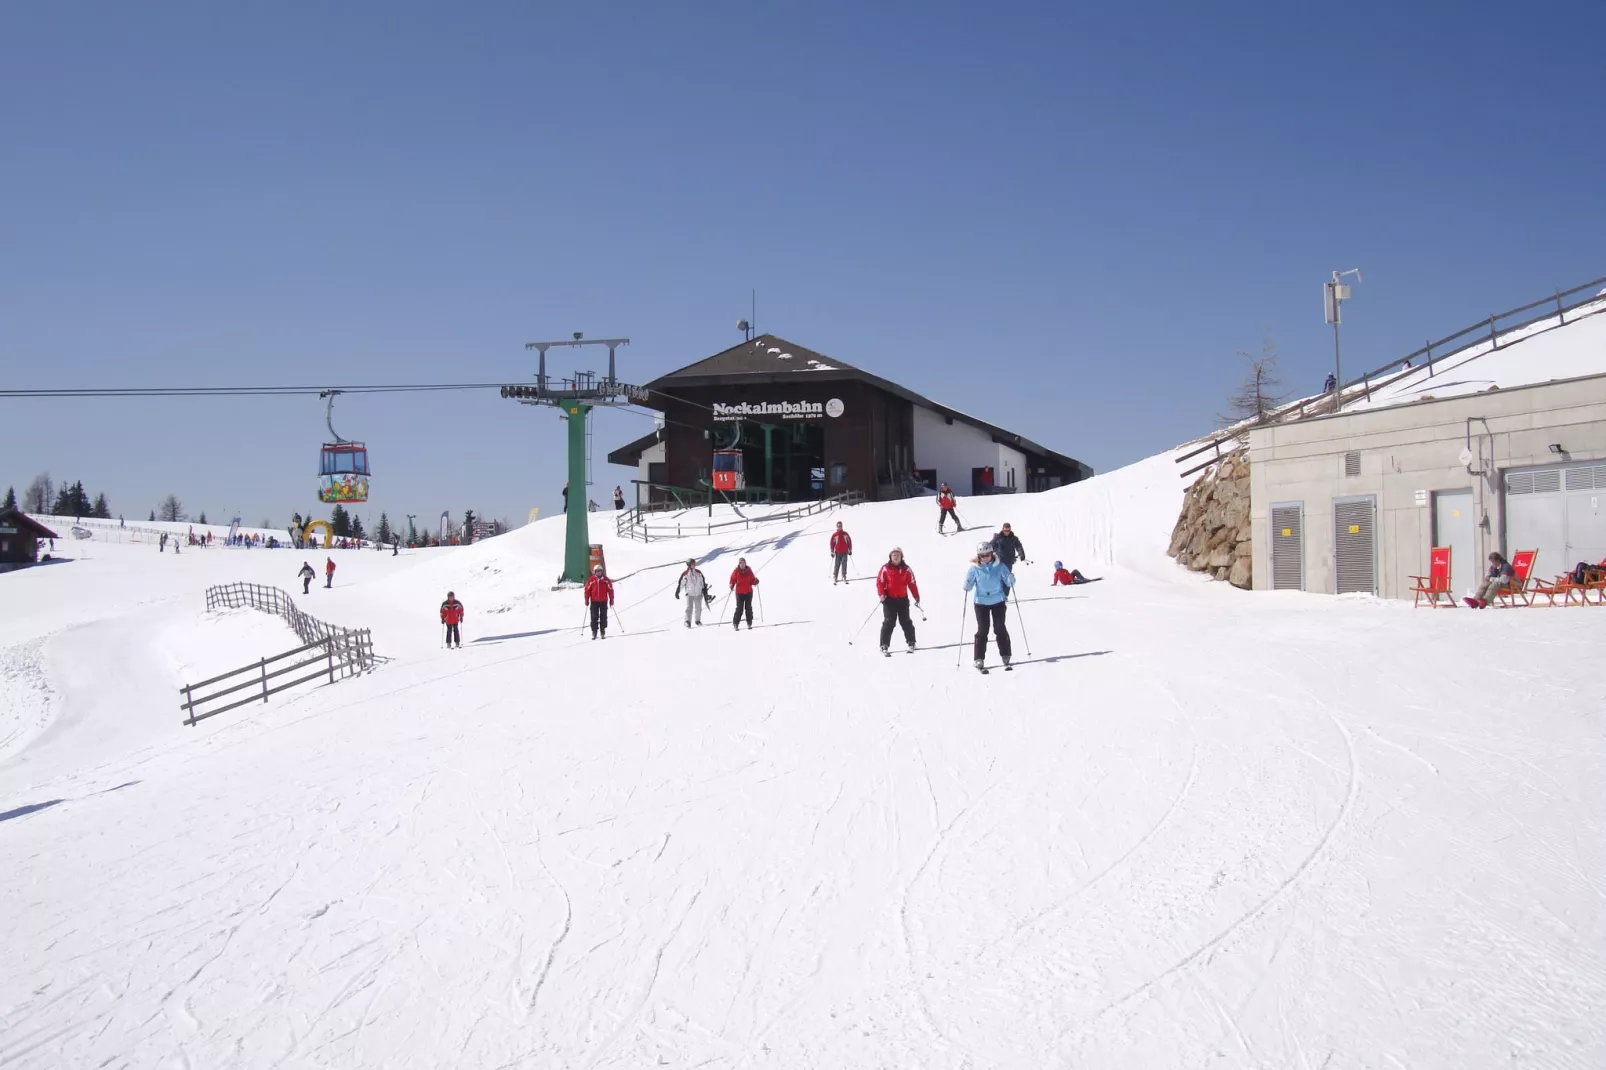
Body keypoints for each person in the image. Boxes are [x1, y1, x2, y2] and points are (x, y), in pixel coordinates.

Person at [965, 541, 1017, 670]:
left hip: (998, 601)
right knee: (983, 629)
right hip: (981, 602)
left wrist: (1011, 578)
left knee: (999, 628)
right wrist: (967, 584)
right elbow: (969, 586)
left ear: (992, 553)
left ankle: (1006, 655)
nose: (985, 558)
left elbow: (1009, 582)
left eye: (987, 555)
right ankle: (979, 658)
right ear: (979, 556)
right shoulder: (974, 568)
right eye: (982, 556)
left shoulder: (1000, 566)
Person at [875, 547, 921, 653]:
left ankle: (911, 642)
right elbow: (880, 582)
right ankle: (884, 645)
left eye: (898, 555)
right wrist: (881, 594)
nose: (895, 557)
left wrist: (916, 596)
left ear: (901, 557)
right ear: (890, 557)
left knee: (906, 621)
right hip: (889, 600)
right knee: (889, 622)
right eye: (894, 555)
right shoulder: (885, 568)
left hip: (903, 600)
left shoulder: (906, 569)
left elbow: (912, 583)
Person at [675, 557, 708, 627]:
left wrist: (704, 590)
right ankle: (687, 621)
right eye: (692, 564)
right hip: (689, 593)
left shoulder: (698, 573)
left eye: (694, 564)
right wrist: (677, 592)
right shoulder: (685, 574)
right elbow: (681, 584)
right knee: (689, 608)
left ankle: (697, 621)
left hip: (698, 593)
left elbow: (703, 582)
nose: (694, 565)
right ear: (689, 565)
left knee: (698, 608)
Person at [584, 564, 615, 639]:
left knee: (603, 616)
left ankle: (602, 631)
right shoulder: (591, 580)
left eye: (600, 571)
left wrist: (611, 599)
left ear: (602, 571)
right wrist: (586, 599)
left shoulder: (606, 580)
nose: (598, 573)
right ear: (595, 572)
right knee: (594, 616)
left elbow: (610, 590)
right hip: (594, 601)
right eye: (597, 571)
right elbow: (587, 590)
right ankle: (594, 632)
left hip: (603, 601)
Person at [729, 557, 759, 630]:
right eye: (741, 563)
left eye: (743, 563)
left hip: (748, 592)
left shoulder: (749, 570)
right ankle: (735, 623)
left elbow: (752, 579)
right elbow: (732, 579)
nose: (742, 564)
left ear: (745, 563)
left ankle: (749, 623)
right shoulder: (736, 571)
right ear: (739, 564)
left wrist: (755, 581)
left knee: (748, 608)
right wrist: (731, 585)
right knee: (739, 608)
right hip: (739, 593)